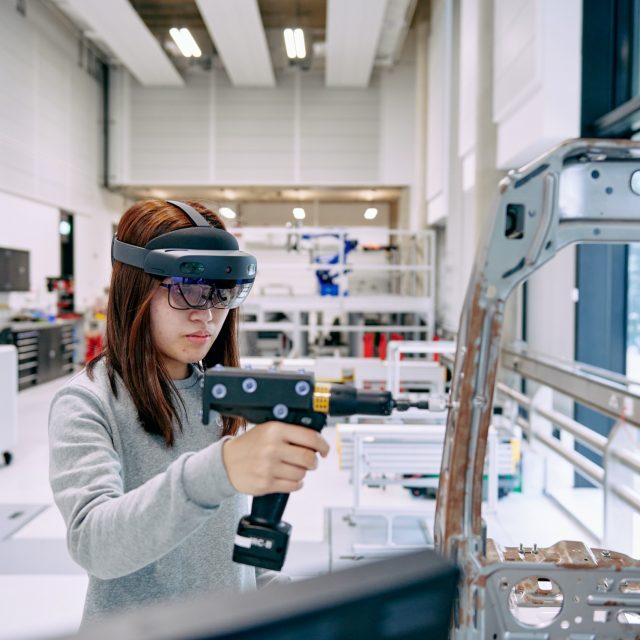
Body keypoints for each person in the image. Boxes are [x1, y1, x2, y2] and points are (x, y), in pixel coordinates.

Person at [48, 199, 329, 627]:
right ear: (136, 288)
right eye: (188, 289)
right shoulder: (88, 402)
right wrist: (219, 469)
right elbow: (95, 544)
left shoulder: (219, 396)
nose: (209, 314)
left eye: (222, 292)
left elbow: (236, 569)